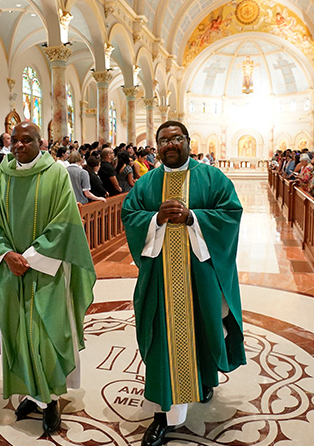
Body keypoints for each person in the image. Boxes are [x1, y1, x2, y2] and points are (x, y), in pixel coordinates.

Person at [0, 121, 97, 436]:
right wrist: (6, 255)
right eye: (16, 140)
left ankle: (50, 400)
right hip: (11, 269)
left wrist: (32, 258)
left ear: (41, 142)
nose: (21, 145)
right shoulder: (0, 176)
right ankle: (28, 394)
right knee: (16, 333)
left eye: (27, 140)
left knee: (48, 334)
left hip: (46, 270)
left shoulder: (56, 175)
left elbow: (65, 222)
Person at [121, 121, 245, 446]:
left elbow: (230, 213)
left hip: (199, 278)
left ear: (189, 142)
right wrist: (154, 220)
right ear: (157, 147)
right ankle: (164, 416)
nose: (170, 144)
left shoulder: (212, 178)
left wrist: (194, 219)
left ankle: (203, 379)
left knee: (203, 331)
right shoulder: (147, 184)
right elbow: (130, 216)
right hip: (161, 279)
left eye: (177, 138)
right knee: (165, 339)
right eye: (163, 140)